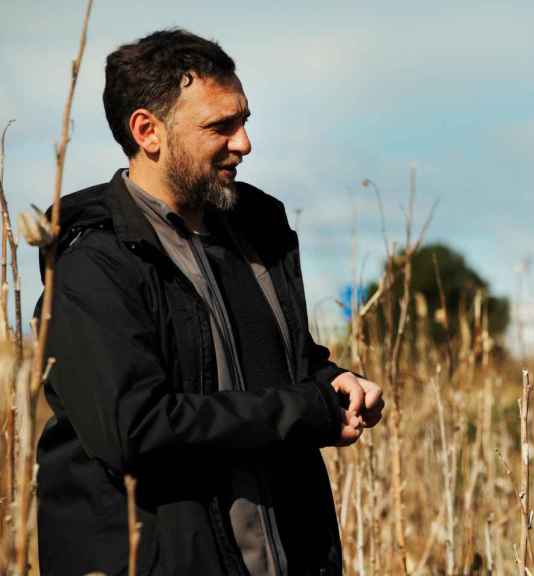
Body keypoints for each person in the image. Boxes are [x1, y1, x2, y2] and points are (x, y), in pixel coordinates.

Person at [35, 29, 383, 575]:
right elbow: (135, 427)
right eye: (221, 126)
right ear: (148, 131)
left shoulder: (258, 231)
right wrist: (305, 411)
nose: (244, 142)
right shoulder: (92, 266)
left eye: (244, 120)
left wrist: (332, 381)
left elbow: (271, 364)